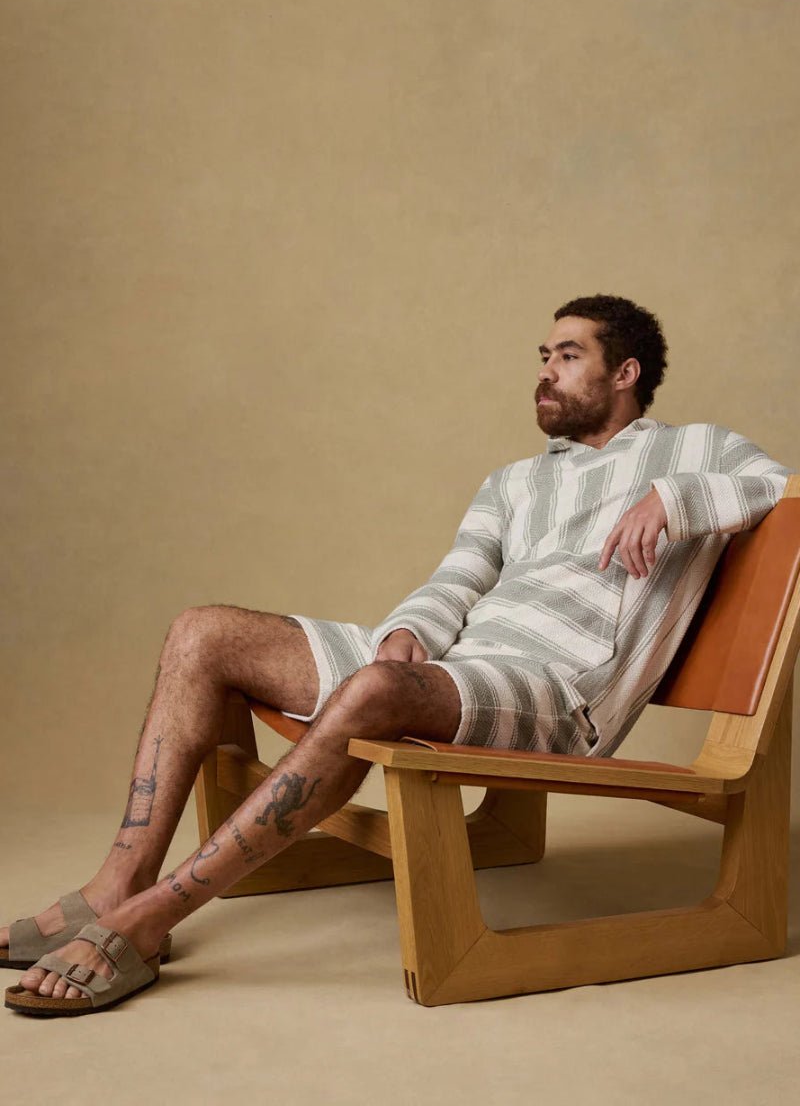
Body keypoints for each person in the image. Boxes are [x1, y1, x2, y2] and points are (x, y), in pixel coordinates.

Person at [4, 294, 793, 1016]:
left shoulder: (694, 450)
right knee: (203, 631)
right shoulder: (515, 482)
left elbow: (779, 485)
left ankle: (150, 918)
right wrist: (408, 629)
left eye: (568, 355)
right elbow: (457, 578)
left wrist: (673, 497)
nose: (546, 372)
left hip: (559, 692)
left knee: (378, 691)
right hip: (460, 666)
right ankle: (117, 884)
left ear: (625, 374)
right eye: (543, 357)